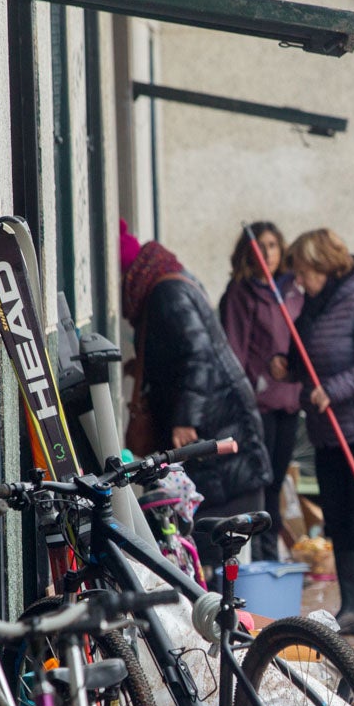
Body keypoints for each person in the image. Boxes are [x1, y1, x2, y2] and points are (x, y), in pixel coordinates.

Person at [120, 221, 270, 565]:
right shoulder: (173, 284)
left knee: (222, 542)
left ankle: (229, 612)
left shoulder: (166, 294)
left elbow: (198, 354)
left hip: (216, 426)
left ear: (129, 275)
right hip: (223, 420)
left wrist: (187, 416)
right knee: (224, 541)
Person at [280, 228, 354, 636]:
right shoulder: (313, 305)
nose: (299, 281)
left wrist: (334, 390)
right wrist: (285, 366)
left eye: (303, 271)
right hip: (327, 432)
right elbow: (306, 354)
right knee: (338, 520)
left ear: (323, 264)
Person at [218, 221, 303, 562]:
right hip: (259, 403)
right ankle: (263, 554)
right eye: (259, 246)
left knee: (278, 477)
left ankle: (271, 551)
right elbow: (234, 350)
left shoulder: (293, 289)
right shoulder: (241, 293)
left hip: (291, 398)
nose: (266, 253)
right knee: (262, 480)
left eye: (272, 245)